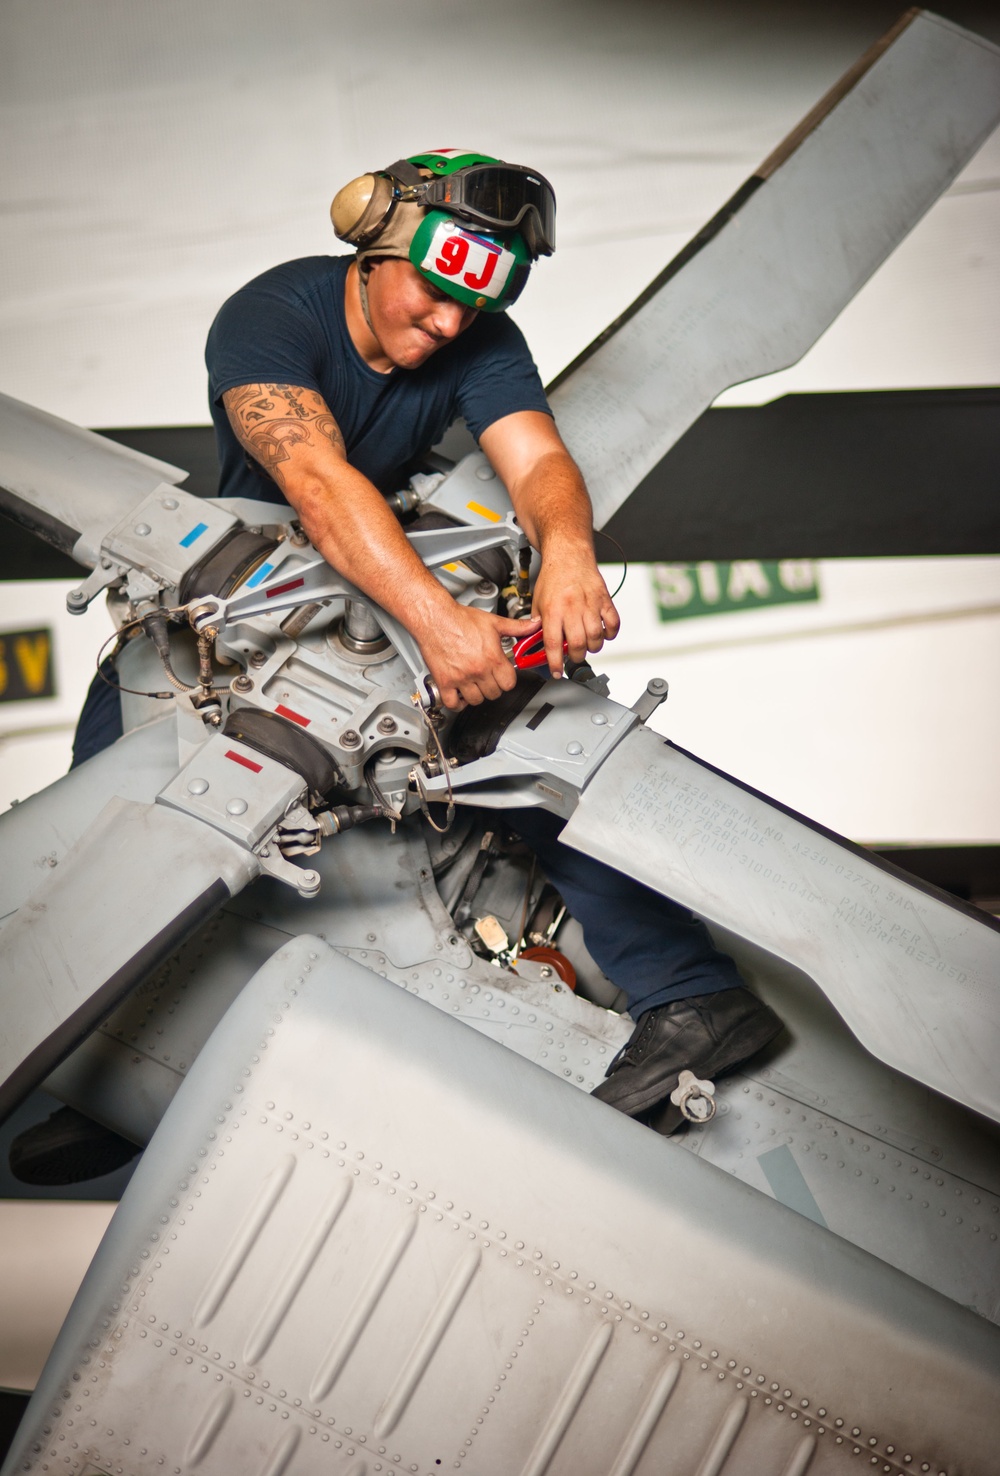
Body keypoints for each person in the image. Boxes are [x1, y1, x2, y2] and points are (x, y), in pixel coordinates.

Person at [31, 151, 778, 1185]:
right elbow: (319, 483)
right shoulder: (270, 316)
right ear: (370, 249)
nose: (448, 327)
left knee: (525, 754)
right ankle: (129, 1066)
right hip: (276, 580)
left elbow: (541, 462)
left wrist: (566, 555)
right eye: (431, 294)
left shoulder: (481, 336)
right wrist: (434, 627)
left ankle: (691, 994)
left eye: (474, 307)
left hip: (407, 573)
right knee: (111, 791)